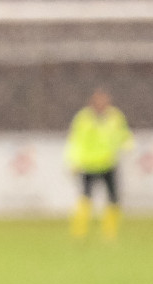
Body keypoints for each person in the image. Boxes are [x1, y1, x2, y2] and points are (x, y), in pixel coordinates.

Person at [65, 89, 133, 240]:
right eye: (99, 102)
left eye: (105, 102)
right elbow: (75, 141)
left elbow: (123, 133)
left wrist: (128, 143)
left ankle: (109, 233)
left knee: (113, 198)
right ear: (92, 103)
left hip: (108, 163)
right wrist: (74, 161)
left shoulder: (115, 116)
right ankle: (79, 233)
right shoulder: (83, 119)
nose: (102, 105)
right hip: (89, 164)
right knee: (85, 198)